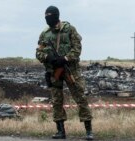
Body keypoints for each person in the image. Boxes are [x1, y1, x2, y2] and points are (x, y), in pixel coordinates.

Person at [36, 6, 93, 140]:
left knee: (80, 97)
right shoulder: (45, 34)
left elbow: (77, 49)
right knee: (56, 100)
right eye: (46, 16)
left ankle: (89, 131)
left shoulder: (69, 29)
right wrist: (48, 58)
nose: (47, 18)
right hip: (54, 71)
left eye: (50, 15)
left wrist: (65, 58)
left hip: (70, 70)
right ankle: (60, 131)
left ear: (56, 16)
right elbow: (38, 52)